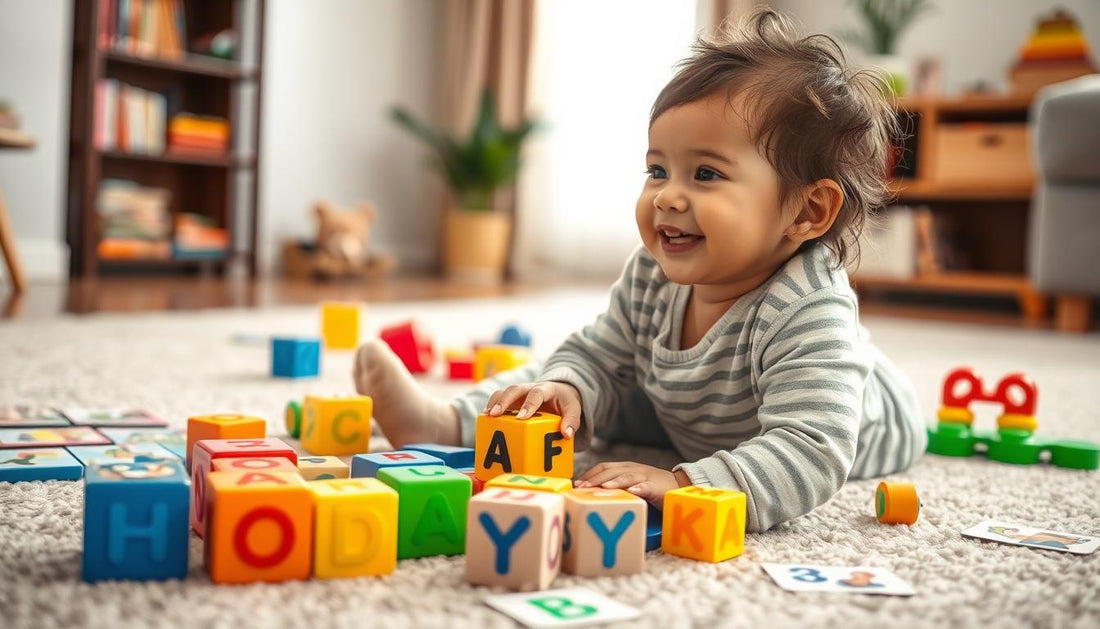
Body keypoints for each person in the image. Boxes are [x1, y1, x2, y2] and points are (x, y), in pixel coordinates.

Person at [353, 10, 926, 532]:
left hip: (850, 421)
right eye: (657, 170)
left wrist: (683, 482)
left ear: (806, 211)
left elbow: (812, 449)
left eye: (705, 175)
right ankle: (445, 422)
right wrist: (570, 385)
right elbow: (603, 351)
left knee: (650, 402)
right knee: (554, 386)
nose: (667, 197)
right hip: (687, 406)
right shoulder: (653, 271)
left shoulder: (809, 308)